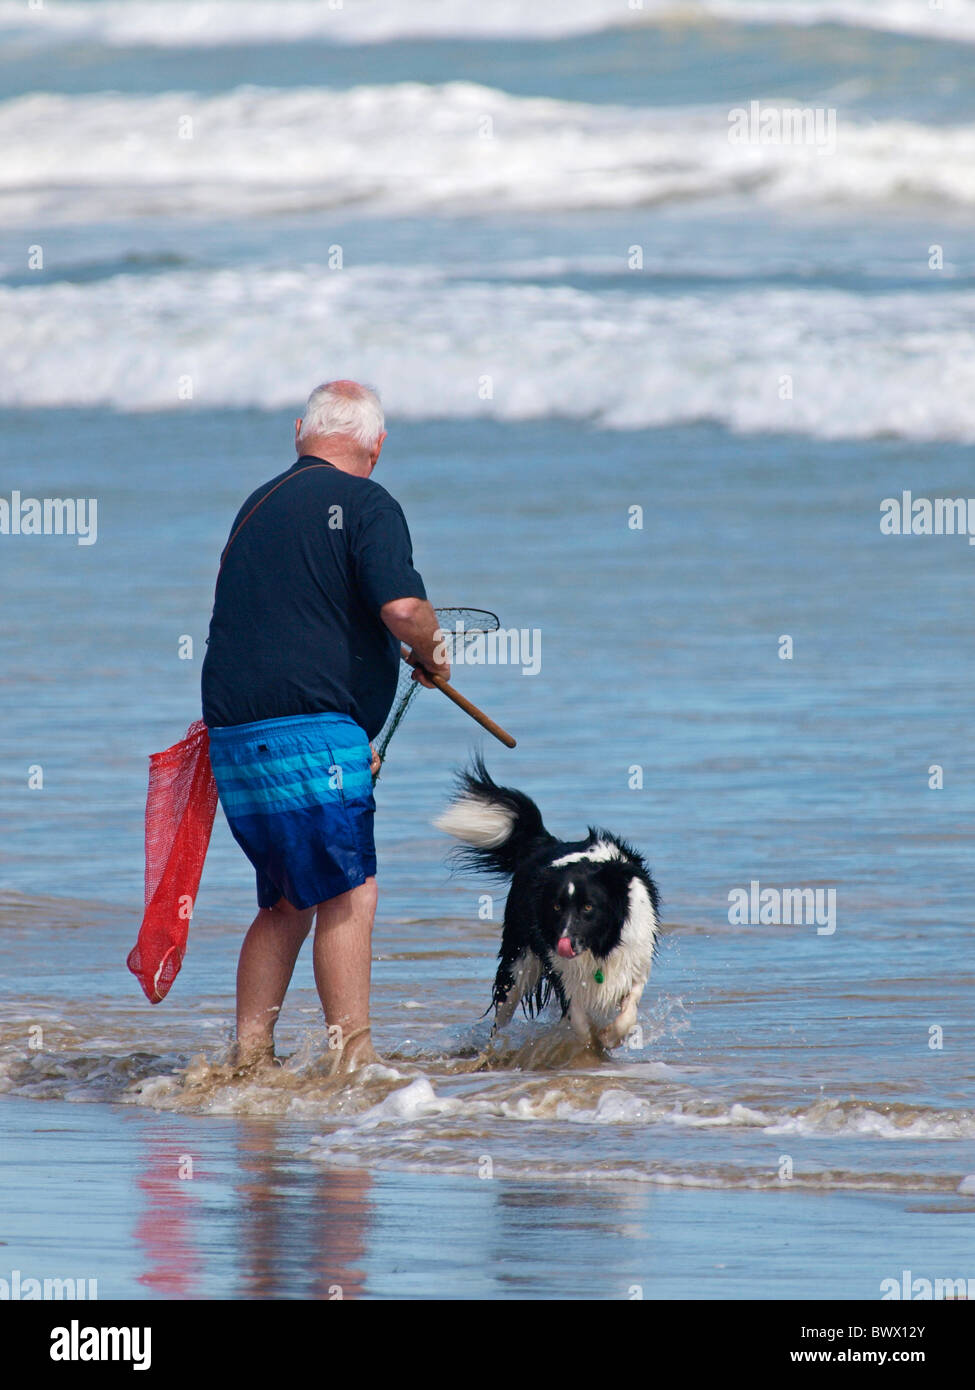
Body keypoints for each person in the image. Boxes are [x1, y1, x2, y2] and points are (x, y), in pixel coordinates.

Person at [200, 380, 449, 1071]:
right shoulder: (368, 502)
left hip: (234, 730)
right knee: (348, 887)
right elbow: (403, 609)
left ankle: (249, 1060)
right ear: (377, 443)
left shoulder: (257, 505)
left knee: (287, 899)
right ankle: (354, 1059)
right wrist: (432, 652)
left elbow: (275, 614)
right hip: (310, 728)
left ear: (299, 433)